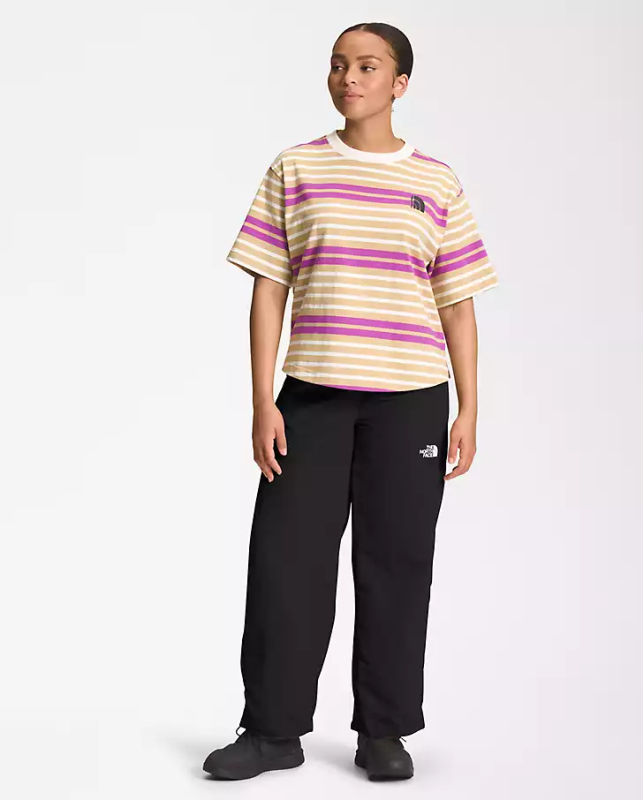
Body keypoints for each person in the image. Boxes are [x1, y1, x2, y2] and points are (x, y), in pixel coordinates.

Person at [203, 21, 499, 782]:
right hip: (311, 399)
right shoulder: (296, 167)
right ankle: (272, 732)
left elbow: (457, 302)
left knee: (397, 564)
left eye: (367, 66)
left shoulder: (436, 182)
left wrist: (468, 408)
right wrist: (263, 399)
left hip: (411, 402)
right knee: (286, 563)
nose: (349, 78)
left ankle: (384, 731)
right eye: (339, 64)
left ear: (400, 84)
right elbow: (269, 288)